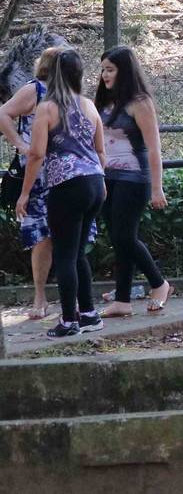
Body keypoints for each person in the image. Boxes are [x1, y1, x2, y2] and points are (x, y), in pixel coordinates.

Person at [13, 50, 106, 338]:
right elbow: (100, 150)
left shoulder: (48, 107)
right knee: (78, 253)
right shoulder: (89, 106)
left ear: (52, 75)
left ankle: (68, 321)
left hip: (66, 185)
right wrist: (101, 180)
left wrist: (25, 193)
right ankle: (89, 314)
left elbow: (37, 153)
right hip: (94, 183)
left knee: (64, 255)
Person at [0, 46, 91, 320]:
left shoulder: (75, 97)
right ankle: (40, 297)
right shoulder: (35, 91)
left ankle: (75, 301)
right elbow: (3, 113)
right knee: (42, 238)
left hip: (68, 176)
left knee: (71, 241)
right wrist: (20, 143)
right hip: (38, 175)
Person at [95, 46, 173, 316]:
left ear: (124, 71)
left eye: (110, 69)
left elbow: (154, 148)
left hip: (134, 178)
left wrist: (156, 187)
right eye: (103, 69)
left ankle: (159, 283)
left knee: (125, 236)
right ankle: (123, 301)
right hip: (107, 178)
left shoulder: (140, 103)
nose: (104, 75)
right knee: (118, 239)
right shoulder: (104, 103)